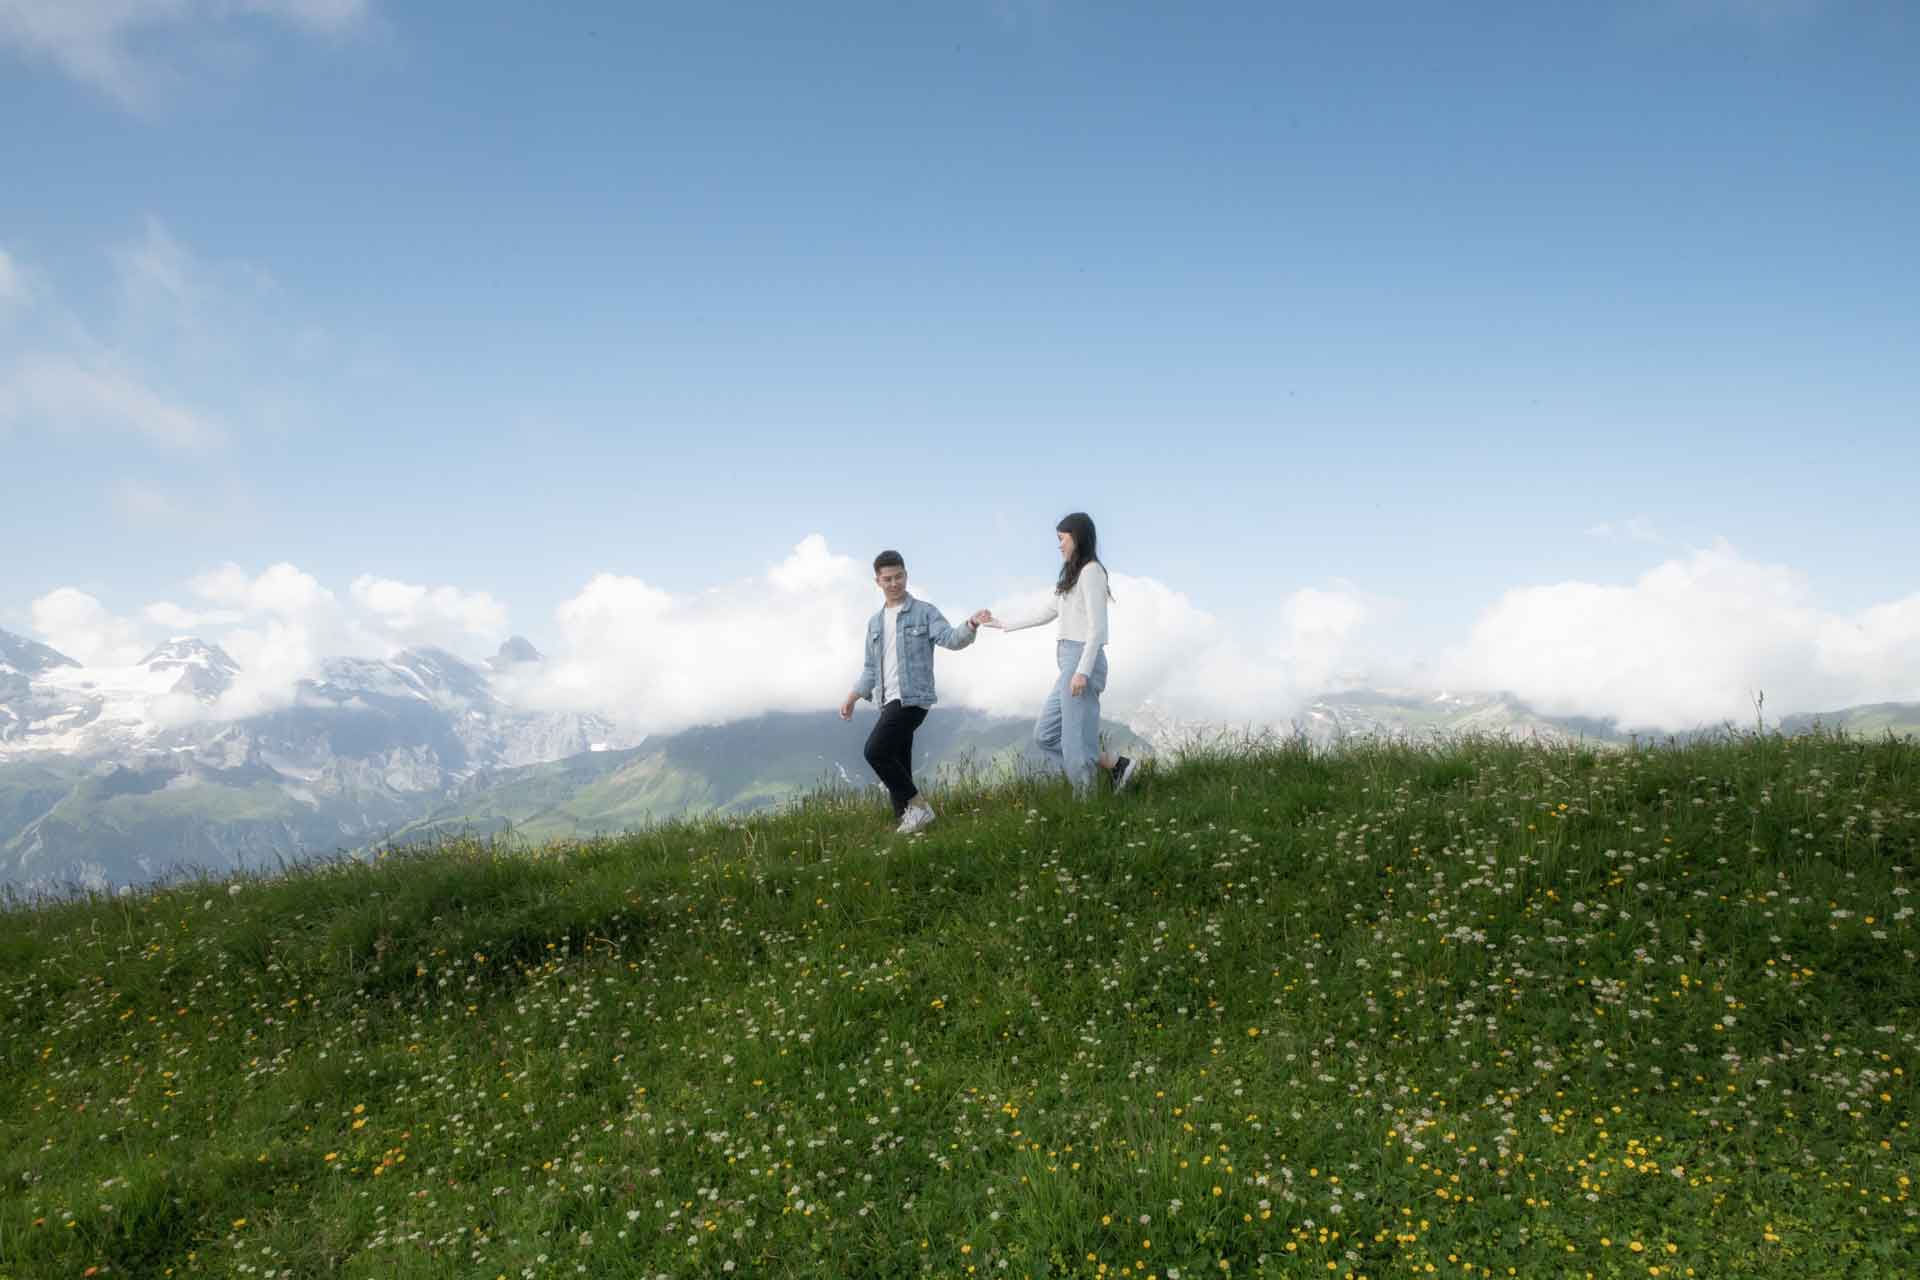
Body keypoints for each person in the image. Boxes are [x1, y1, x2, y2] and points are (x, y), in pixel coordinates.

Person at [978, 512, 1138, 796]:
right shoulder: (1072, 575)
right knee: (1046, 735)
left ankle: (1087, 807)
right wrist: (1000, 623)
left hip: (1081, 660)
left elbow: (1097, 629)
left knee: (1076, 744)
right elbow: (1045, 612)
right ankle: (1116, 765)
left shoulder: (1091, 572)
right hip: (1069, 662)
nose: (1059, 545)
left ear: (1076, 537)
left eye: (1061, 539)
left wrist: (1082, 672)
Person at [840, 550, 980, 833]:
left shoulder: (925, 612)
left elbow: (951, 639)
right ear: (877, 581)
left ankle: (918, 807)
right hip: (886, 699)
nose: (894, 583)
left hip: (913, 698)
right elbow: (870, 667)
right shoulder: (875, 623)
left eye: (899, 577)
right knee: (898, 759)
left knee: (875, 751)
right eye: (887, 579)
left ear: (906, 575)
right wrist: (853, 696)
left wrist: (972, 624)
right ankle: (907, 822)